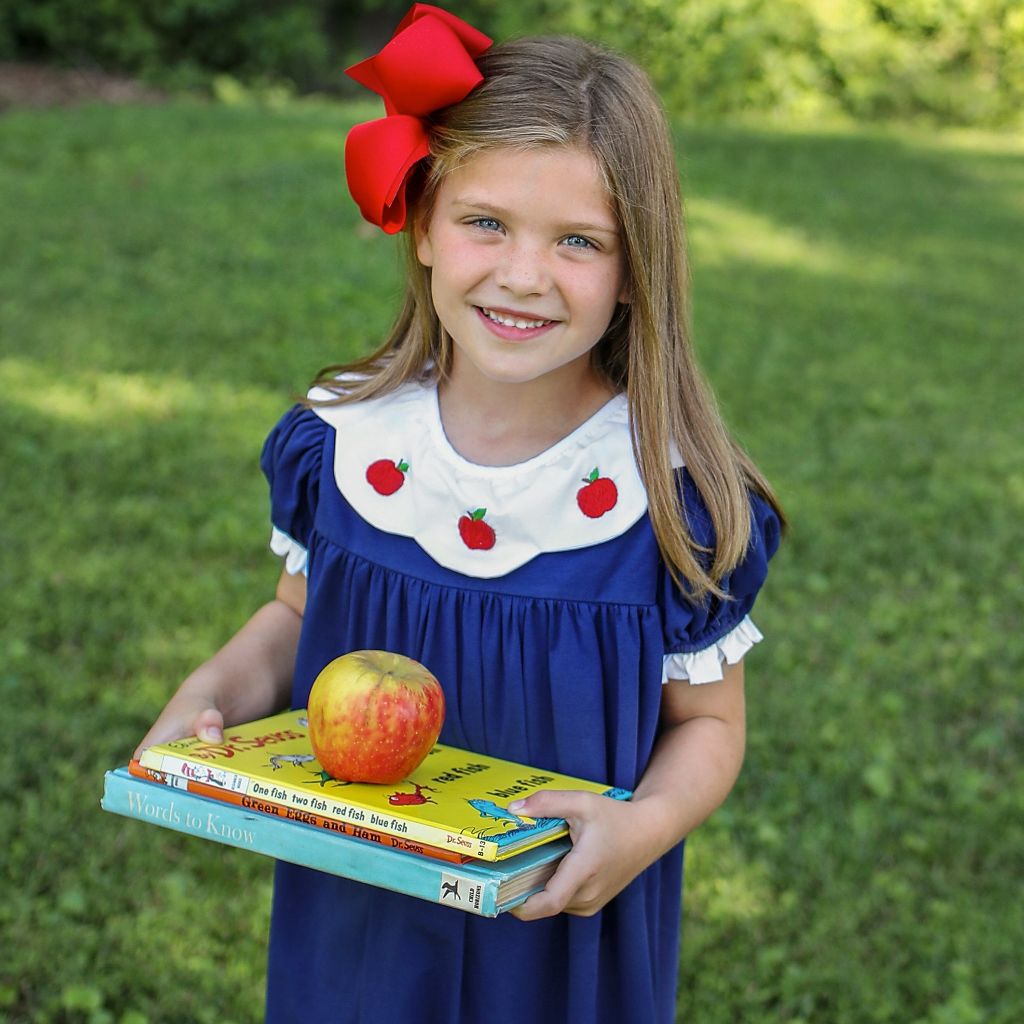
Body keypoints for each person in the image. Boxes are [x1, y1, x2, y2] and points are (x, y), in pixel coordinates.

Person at [136, 5, 785, 1021]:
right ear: (423, 224)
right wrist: (210, 693)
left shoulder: (667, 499)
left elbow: (707, 725)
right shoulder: (345, 446)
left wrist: (645, 826)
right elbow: (295, 619)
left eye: (579, 241)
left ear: (634, 272)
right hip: (362, 910)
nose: (523, 275)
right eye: (486, 222)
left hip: (556, 929)